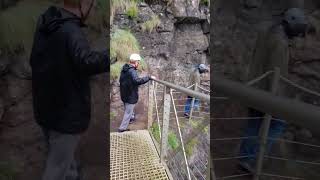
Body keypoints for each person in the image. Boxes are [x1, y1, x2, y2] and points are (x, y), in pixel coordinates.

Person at [29, 0, 109, 179]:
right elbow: (85, 62)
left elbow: (35, 61)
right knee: (56, 169)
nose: (94, 8)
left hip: (46, 109)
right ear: (83, 4)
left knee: (64, 161)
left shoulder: (47, 23)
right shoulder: (71, 31)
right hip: (65, 115)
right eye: (92, 4)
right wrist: (112, 56)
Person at [238, 8, 308, 173]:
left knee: (253, 125)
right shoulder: (279, 42)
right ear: (290, 22)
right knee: (278, 123)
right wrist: (277, 101)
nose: (297, 34)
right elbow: (275, 73)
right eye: (297, 28)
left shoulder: (267, 32)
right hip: (266, 92)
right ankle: (254, 160)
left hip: (254, 88)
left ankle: (245, 158)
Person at [118, 54, 156, 132]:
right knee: (128, 112)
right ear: (135, 62)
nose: (138, 63)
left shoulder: (124, 69)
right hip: (130, 95)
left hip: (124, 94)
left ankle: (131, 118)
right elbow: (137, 81)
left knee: (128, 109)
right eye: (138, 62)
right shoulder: (132, 71)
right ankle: (122, 128)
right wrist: (148, 77)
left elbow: (121, 81)